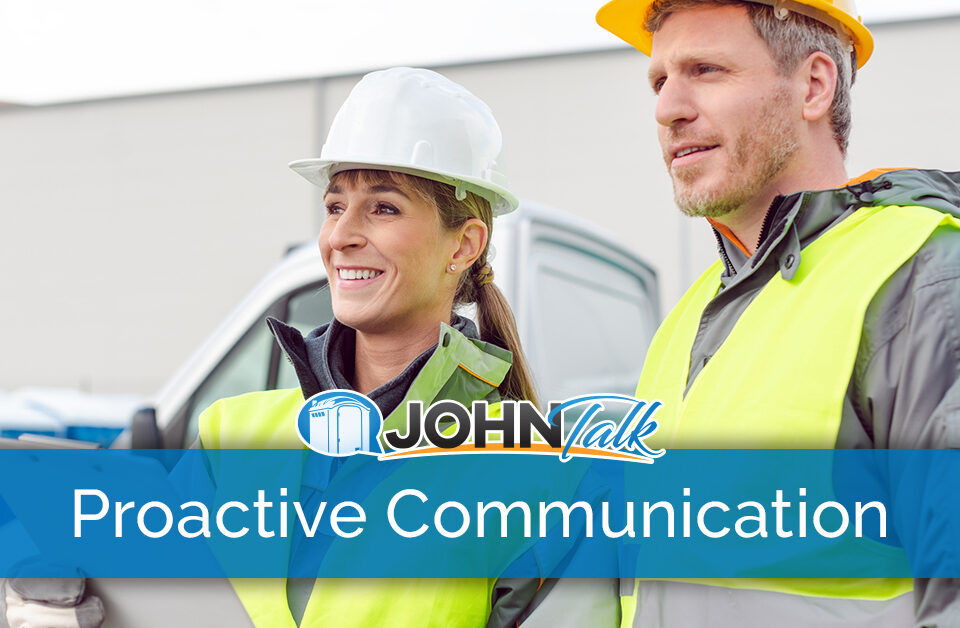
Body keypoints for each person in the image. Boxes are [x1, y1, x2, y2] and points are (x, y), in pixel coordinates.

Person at [594, 0, 960, 626]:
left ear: (814, 86)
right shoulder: (687, 318)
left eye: (705, 70)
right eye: (659, 80)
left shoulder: (921, 276)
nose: (667, 108)